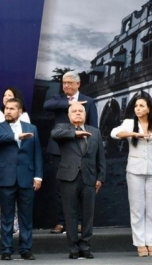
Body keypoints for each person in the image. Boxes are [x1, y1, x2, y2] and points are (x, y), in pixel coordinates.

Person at [110, 94, 152, 257]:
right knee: (137, 208)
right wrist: (135, 135)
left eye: (142, 106)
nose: (138, 108)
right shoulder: (129, 123)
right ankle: (140, 243)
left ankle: (151, 242)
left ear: (149, 108)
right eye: (136, 106)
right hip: (135, 171)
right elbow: (115, 134)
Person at [44, 71, 97, 234]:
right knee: (59, 188)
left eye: (69, 83)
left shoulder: (88, 101)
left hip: (80, 151)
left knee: (80, 188)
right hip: (58, 151)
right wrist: (70, 104)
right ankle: (61, 222)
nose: (65, 85)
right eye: (63, 82)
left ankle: (79, 222)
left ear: (78, 84)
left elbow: (94, 127)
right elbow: (46, 106)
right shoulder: (58, 99)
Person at [51, 102, 105, 260]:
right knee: (70, 214)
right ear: (69, 115)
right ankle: (73, 247)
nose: (78, 113)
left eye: (80, 111)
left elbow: (100, 157)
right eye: (74, 111)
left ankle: (85, 246)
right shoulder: (63, 128)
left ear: (85, 114)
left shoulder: (95, 132)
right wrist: (76, 133)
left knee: (88, 214)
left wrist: (101, 177)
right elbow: (55, 134)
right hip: (69, 177)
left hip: (89, 177)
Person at [0, 98, 42, 261]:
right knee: (6, 216)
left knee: (26, 216)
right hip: (5, 178)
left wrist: (38, 176)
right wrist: (16, 136)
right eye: (6, 108)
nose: (8, 111)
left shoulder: (31, 128)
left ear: (20, 112)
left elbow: (37, 153)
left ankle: (26, 249)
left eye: (12, 109)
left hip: (26, 177)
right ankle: (6, 249)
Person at [0, 87, 31, 235]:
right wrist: (14, 135)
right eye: (4, 95)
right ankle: (5, 227)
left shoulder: (24, 115)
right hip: (1, 156)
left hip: (20, 158)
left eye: (10, 95)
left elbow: (28, 136)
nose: (6, 97)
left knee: (20, 193)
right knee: (4, 195)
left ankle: (18, 227)